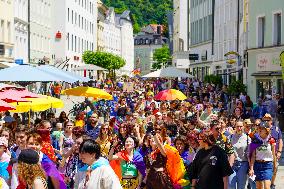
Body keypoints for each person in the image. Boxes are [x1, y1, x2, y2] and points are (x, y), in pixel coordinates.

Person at [249, 122, 277, 189]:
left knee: (267, 187)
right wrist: (251, 168)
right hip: (257, 165)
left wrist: (275, 165)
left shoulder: (271, 140)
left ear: (266, 130)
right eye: (259, 128)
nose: (260, 130)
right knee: (259, 187)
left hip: (267, 165)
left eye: (262, 128)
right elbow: (253, 156)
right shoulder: (255, 140)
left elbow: (273, 154)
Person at [228, 121, 251, 189]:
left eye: (241, 126)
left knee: (241, 186)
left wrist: (251, 167)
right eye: (237, 126)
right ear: (235, 127)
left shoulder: (247, 138)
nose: (239, 128)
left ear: (243, 127)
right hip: (232, 164)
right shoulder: (230, 137)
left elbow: (249, 154)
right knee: (231, 185)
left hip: (243, 164)